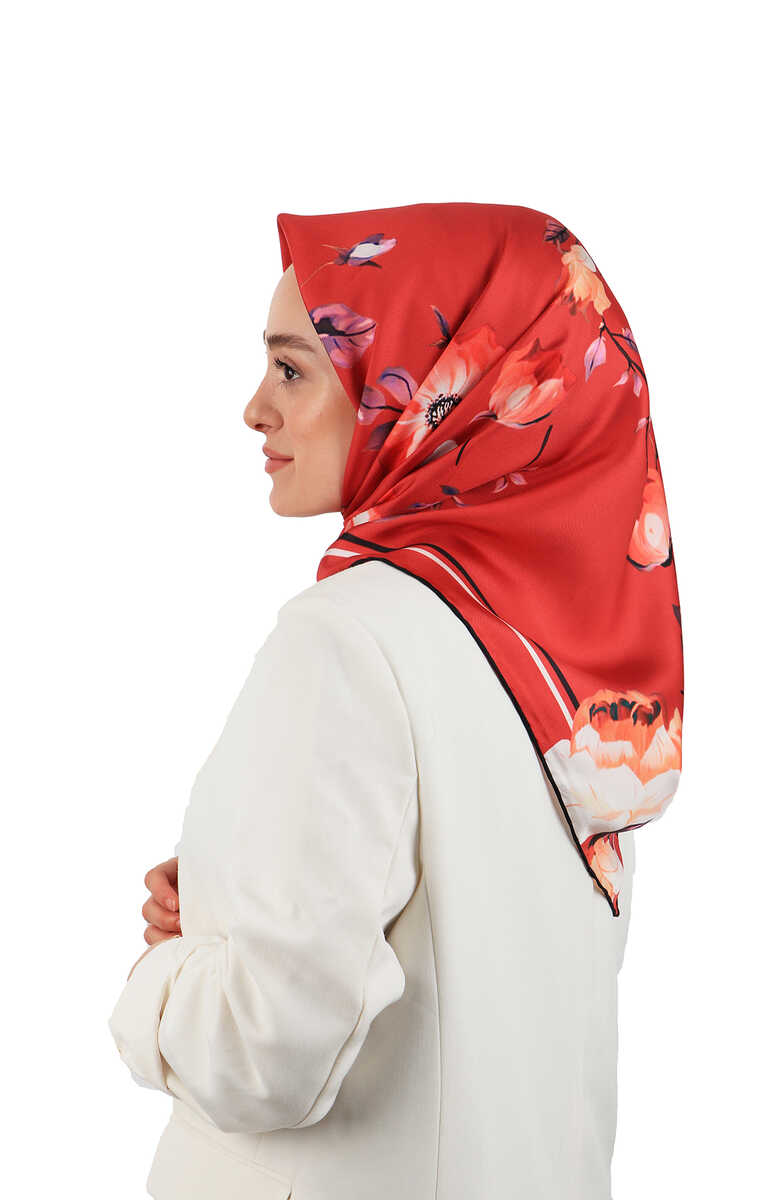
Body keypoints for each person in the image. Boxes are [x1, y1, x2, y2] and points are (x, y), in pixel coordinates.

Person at [109, 202, 683, 1200]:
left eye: (293, 369)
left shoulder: (348, 639)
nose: (255, 409)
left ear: (437, 389)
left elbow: (264, 1051)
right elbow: (483, 959)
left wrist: (161, 981)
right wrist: (237, 888)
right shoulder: (570, 670)